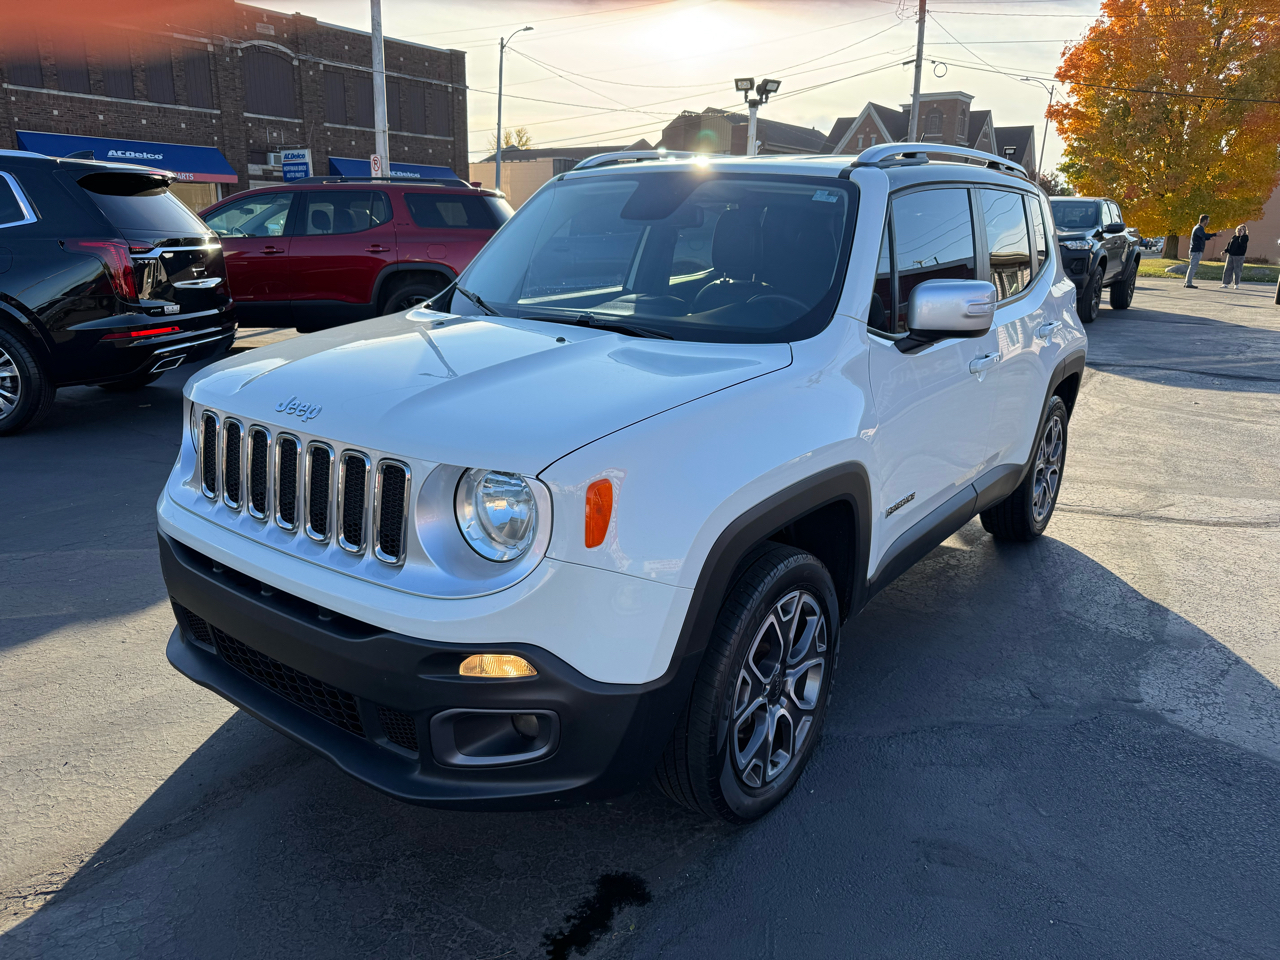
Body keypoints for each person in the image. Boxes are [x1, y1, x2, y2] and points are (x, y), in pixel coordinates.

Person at [1185, 214, 1218, 289]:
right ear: (1205, 221)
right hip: (1196, 251)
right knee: (1193, 267)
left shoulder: (1198, 228)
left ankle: (1187, 282)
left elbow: (1202, 237)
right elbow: (1203, 235)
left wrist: (1209, 238)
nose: (1208, 222)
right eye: (1208, 221)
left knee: (1192, 267)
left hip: (1196, 250)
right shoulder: (1199, 228)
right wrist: (1214, 234)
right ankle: (1188, 283)